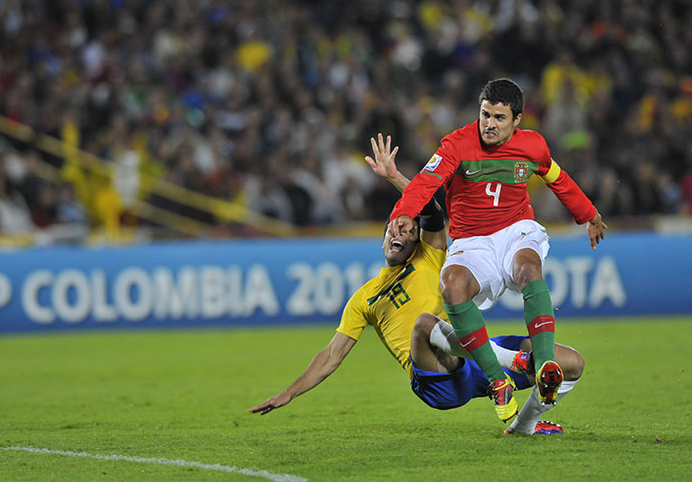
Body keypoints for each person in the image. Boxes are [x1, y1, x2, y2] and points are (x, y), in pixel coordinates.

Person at [250, 134, 585, 435]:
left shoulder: (429, 256)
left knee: (569, 362)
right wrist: (289, 392)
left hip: (471, 359)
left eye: (410, 232)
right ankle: (512, 366)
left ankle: (523, 425)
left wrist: (395, 177)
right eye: (396, 229)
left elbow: (433, 209)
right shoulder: (364, 298)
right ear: (383, 238)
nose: (402, 233)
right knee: (426, 323)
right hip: (436, 378)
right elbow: (331, 356)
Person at [387, 78, 606, 424]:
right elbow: (426, 182)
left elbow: (559, 179)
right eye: (485, 114)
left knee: (528, 267)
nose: (489, 123)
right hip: (471, 241)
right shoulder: (456, 144)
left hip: (515, 230)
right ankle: (498, 380)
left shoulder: (533, 147)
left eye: (499, 118)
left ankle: (545, 364)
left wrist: (589, 215)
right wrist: (403, 211)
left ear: (517, 120)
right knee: (452, 286)